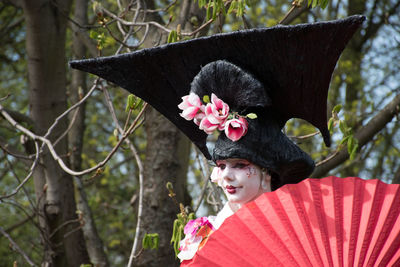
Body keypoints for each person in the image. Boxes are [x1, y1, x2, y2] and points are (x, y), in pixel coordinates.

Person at [70, 15, 367, 265]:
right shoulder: (207, 235)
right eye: (222, 165)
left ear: (267, 172)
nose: (227, 175)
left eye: (239, 164)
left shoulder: (309, 230)